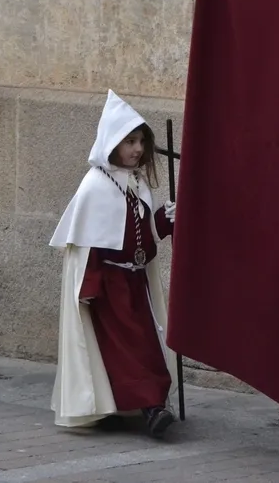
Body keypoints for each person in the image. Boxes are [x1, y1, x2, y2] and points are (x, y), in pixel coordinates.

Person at [49, 89, 179, 437]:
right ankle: (152, 408)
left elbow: (145, 236)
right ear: (112, 143)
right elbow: (87, 243)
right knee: (129, 349)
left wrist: (166, 219)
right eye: (129, 141)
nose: (137, 149)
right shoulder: (95, 186)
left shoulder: (136, 183)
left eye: (141, 142)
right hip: (109, 286)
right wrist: (90, 285)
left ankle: (132, 405)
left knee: (144, 345)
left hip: (136, 283)